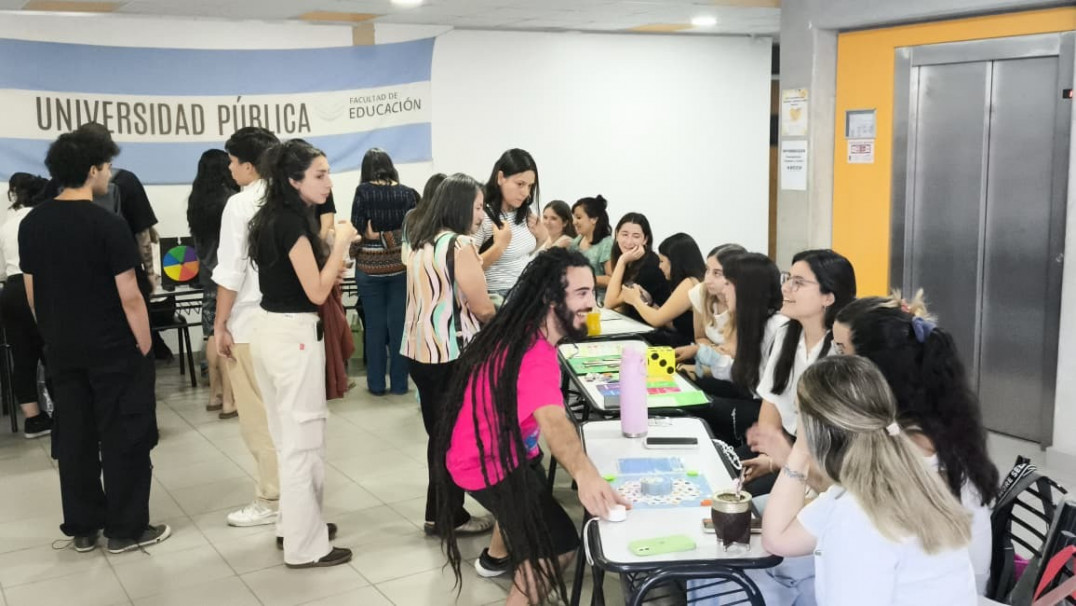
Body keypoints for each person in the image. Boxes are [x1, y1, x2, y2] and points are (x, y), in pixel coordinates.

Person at [437, 248, 628, 605]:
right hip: (486, 464)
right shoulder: (533, 355)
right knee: (555, 546)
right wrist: (586, 475)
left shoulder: (524, 328)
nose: (593, 303)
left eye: (593, 292)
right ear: (550, 298)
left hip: (503, 451)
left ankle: (499, 556)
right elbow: (554, 422)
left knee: (531, 501)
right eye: (582, 294)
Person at [19, 127, 170, 553]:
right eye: (106, 166)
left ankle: (83, 526)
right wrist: (144, 347)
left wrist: (52, 332)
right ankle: (126, 529)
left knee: (75, 437)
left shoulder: (33, 223)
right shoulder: (108, 225)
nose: (108, 174)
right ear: (91, 171)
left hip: (62, 347)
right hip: (113, 348)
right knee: (125, 434)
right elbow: (131, 296)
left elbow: (32, 290)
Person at [761, 356, 977, 606]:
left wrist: (802, 445)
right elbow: (777, 539)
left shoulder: (857, 516)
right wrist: (799, 452)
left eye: (799, 413)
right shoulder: (898, 477)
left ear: (817, 429)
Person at [833, 293, 998, 593]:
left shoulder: (909, 441)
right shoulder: (941, 416)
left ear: (875, 366)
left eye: (842, 350)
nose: (837, 363)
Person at [247, 139, 356, 568]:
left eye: (328, 172)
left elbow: (304, 278)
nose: (328, 183)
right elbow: (315, 290)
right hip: (292, 337)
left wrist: (328, 255)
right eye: (319, 174)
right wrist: (342, 243)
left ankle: (294, 525)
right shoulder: (290, 222)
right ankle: (305, 546)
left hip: (272, 332)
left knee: (287, 437)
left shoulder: (274, 217)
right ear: (293, 180)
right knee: (302, 443)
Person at [401, 173, 496, 538]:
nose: (480, 215)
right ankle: (446, 515)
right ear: (459, 207)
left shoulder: (422, 243)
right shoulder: (460, 246)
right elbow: (482, 306)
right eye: (476, 207)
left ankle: (440, 512)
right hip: (452, 353)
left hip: (419, 350)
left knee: (439, 435)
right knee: (454, 437)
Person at [741, 249, 856, 495]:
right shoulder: (786, 334)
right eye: (788, 278)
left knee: (748, 499)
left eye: (798, 283)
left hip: (824, 467)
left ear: (828, 297)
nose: (786, 288)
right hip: (790, 451)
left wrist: (781, 461)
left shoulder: (841, 352)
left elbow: (833, 448)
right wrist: (768, 454)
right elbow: (771, 400)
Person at [213, 126, 282, 528]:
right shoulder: (291, 197)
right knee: (290, 415)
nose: (229, 167)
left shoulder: (240, 204)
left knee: (258, 416)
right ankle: (297, 496)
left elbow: (231, 271)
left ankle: (271, 498)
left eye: (233, 160)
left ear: (250, 165)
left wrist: (220, 323)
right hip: (291, 323)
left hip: (250, 321)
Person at [691, 252, 787, 445]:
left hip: (770, 413)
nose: (724, 291)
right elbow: (742, 372)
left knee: (699, 405)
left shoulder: (778, 327)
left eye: (728, 284)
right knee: (696, 389)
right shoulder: (753, 321)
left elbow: (768, 392)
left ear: (746, 290)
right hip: (754, 398)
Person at [350, 147, 418, 396]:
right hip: (401, 268)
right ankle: (400, 385)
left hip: (369, 268)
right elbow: (413, 232)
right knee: (400, 328)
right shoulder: (407, 193)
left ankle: (377, 385)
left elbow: (357, 228)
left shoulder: (363, 191)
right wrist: (391, 238)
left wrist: (371, 238)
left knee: (375, 329)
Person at [186, 149, 239, 419]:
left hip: (207, 277)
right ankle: (231, 400)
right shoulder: (231, 201)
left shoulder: (195, 202)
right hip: (228, 280)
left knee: (211, 334)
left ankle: (214, 395)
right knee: (228, 336)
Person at [0, 172, 52, 438]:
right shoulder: (41, 218)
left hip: (10, 291)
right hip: (38, 287)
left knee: (22, 358)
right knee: (52, 351)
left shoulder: (7, 223)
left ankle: (34, 421)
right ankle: (64, 412)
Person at [474, 149, 544, 297]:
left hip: (526, 291)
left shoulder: (525, 213)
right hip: (499, 295)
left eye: (530, 186)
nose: (526, 192)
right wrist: (499, 247)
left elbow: (519, 255)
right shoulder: (483, 216)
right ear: (500, 178)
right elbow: (469, 269)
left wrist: (542, 238)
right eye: (520, 184)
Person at [619, 232, 705, 347]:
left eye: (662, 261)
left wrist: (635, 300)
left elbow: (657, 320)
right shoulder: (693, 280)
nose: (659, 266)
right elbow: (673, 323)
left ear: (675, 262)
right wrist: (650, 303)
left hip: (688, 348)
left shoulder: (690, 283)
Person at [675, 243, 745, 364]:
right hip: (710, 361)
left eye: (717, 273)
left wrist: (700, 351)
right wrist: (705, 352)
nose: (707, 280)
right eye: (707, 270)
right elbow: (700, 337)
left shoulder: (746, 303)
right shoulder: (701, 292)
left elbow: (734, 353)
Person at [603, 212, 670, 325]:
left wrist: (622, 261)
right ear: (616, 234)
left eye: (636, 236)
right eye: (624, 234)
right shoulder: (628, 260)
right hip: (635, 323)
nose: (629, 242)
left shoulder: (650, 265)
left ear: (645, 239)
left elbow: (610, 303)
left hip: (655, 330)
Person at [568, 195, 613, 296]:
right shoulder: (575, 242)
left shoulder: (606, 243)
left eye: (579, 217)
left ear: (594, 219)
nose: (574, 222)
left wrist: (584, 278)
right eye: (574, 218)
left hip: (598, 302)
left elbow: (611, 279)